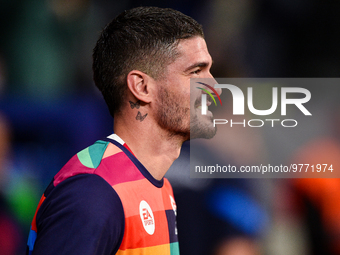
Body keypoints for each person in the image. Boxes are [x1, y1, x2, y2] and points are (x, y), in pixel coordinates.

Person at [26, 6, 220, 255]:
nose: (216, 86)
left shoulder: (160, 186)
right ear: (142, 87)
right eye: (195, 71)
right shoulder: (92, 194)